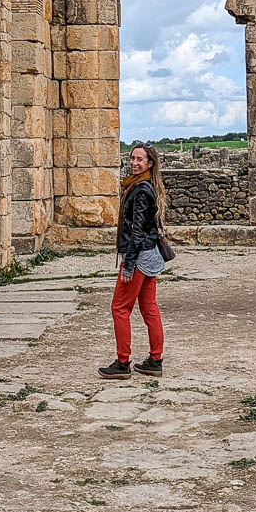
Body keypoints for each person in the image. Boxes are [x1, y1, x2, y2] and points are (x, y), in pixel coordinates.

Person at [98, 142, 167, 379]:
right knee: (149, 308)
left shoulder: (140, 190)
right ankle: (154, 360)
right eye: (133, 158)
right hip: (149, 254)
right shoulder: (144, 186)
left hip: (138, 257)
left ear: (150, 163)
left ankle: (122, 362)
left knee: (119, 308)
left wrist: (128, 264)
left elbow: (137, 230)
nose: (134, 163)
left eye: (140, 159)